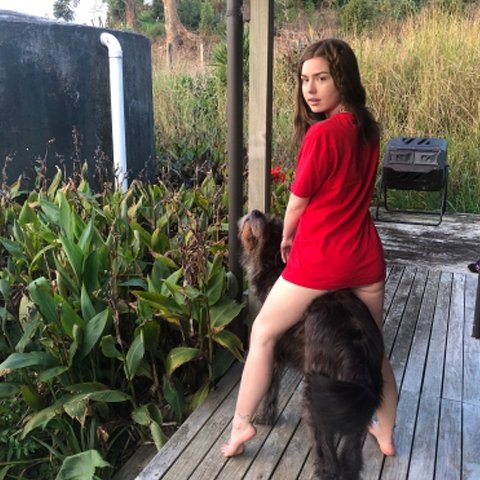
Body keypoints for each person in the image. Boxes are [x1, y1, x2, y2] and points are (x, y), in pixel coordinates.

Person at [221, 38, 397, 458]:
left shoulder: (322, 134)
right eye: (304, 80)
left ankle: (241, 424)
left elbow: (297, 201)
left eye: (322, 78)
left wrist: (285, 236)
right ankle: (385, 431)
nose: (310, 89)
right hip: (365, 258)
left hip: (321, 259)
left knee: (263, 333)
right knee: (374, 349)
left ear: (343, 79)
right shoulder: (368, 129)